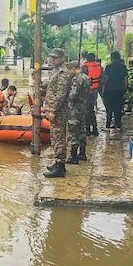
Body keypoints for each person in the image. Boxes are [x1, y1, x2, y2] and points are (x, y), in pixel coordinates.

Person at [43, 48, 73, 178]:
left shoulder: (63, 73)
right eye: (51, 57)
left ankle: (60, 167)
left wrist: (53, 111)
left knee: (59, 137)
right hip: (52, 109)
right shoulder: (55, 71)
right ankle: (57, 162)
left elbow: (61, 94)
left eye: (55, 58)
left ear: (62, 58)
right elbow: (51, 88)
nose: (52, 60)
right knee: (55, 137)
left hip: (59, 112)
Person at [66, 61, 91, 164]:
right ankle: (82, 153)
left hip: (75, 109)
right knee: (82, 130)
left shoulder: (77, 79)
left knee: (73, 132)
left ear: (73, 68)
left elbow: (73, 95)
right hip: (83, 107)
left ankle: (73, 156)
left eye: (69, 70)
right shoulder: (86, 77)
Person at [100, 51, 128, 130]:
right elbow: (125, 79)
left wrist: (103, 89)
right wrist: (125, 89)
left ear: (112, 58)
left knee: (109, 108)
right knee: (118, 108)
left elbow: (106, 79)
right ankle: (117, 125)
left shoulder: (109, 67)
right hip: (120, 90)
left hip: (109, 90)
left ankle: (108, 125)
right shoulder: (123, 67)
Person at [83, 53, 102, 136]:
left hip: (86, 91)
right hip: (95, 90)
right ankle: (94, 128)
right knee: (91, 109)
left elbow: (81, 79)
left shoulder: (84, 67)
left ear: (87, 59)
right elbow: (104, 78)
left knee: (87, 110)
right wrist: (98, 85)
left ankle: (88, 129)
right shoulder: (100, 67)